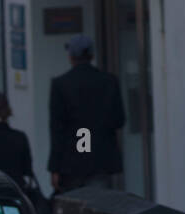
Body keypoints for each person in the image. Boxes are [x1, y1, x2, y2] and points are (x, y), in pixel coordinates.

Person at [47, 33, 126, 194]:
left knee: (75, 210)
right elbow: (119, 120)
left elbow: (57, 129)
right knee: (100, 207)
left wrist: (54, 167)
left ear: (71, 57)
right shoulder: (109, 81)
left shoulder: (61, 84)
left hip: (71, 161)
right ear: (91, 55)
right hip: (100, 159)